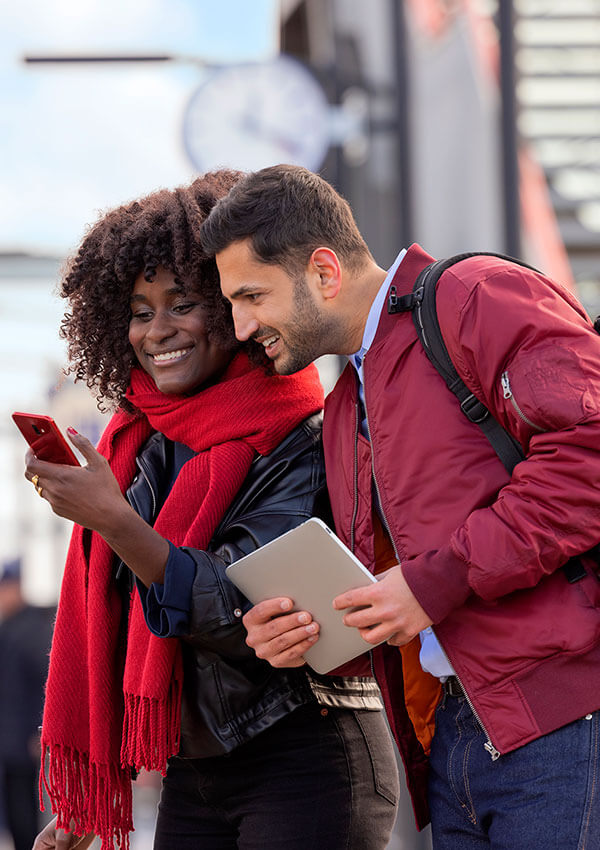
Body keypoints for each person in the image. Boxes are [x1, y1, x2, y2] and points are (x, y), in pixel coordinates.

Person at [200, 163, 600, 850]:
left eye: (251, 296)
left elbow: (590, 454)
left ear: (324, 271)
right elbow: (402, 596)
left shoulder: (474, 297)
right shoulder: (346, 405)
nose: (240, 327)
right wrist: (309, 634)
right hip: (453, 740)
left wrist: (433, 582)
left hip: (563, 724)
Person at [24, 172, 400, 850]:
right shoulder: (137, 443)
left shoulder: (302, 436)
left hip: (305, 758)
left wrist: (114, 520)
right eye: (139, 311)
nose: (157, 330)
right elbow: (129, 626)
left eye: (181, 304)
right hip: (193, 774)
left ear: (233, 310)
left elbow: (236, 612)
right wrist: (93, 799)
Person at [0, 559, 55, 850]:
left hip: (26, 741)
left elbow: (48, 682)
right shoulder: (9, 627)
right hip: (10, 742)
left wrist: (42, 729)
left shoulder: (31, 628)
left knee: (27, 821)